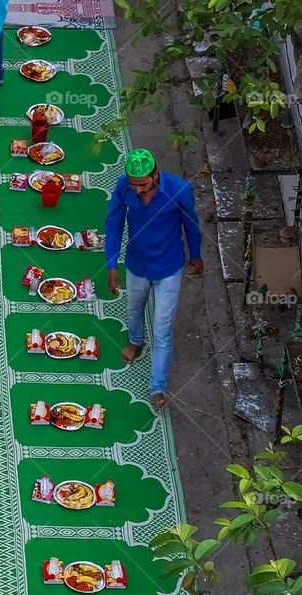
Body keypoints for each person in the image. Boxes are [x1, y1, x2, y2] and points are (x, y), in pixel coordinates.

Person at [105, 148, 203, 413]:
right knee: (133, 308)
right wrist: (111, 263)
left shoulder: (179, 190)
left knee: (162, 328)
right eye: (134, 185)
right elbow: (113, 223)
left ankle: (157, 386)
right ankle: (136, 340)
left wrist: (195, 255)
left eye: (143, 184)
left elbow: (191, 226)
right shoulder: (123, 186)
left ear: (156, 174)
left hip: (169, 267)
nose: (138, 191)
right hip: (136, 263)